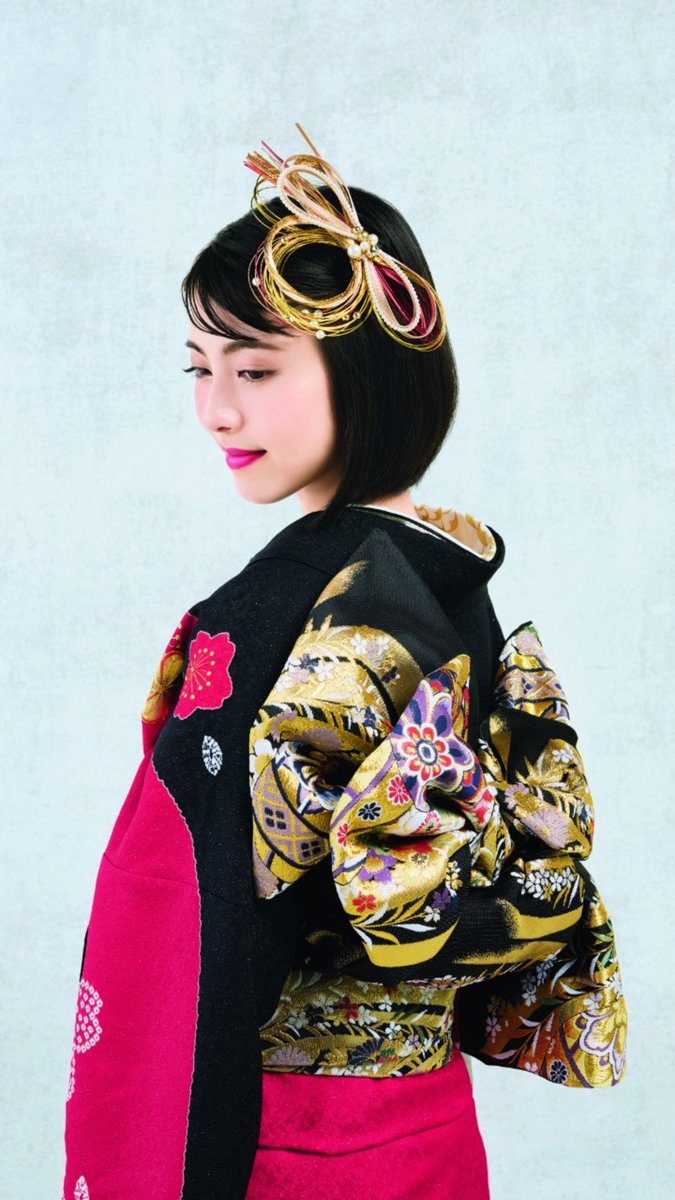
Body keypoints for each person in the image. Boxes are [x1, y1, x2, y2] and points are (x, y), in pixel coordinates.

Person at [61, 124, 628, 1200]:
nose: (216, 409)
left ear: (366, 372)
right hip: (429, 1132)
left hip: (283, 1143)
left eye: (254, 368)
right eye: (200, 368)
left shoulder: (266, 613)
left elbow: (180, 920)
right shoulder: (456, 576)